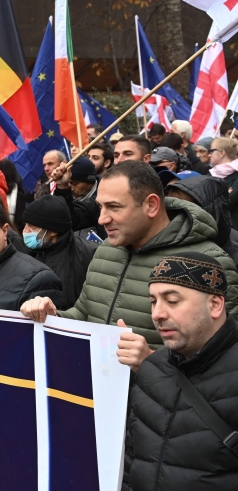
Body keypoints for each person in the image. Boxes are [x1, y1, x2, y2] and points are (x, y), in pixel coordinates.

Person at [21, 161, 238, 348]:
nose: (102, 219)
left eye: (114, 207)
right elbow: (85, 314)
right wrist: (54, 316)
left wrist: (150, 364)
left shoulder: (212, 262)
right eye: (100, 207)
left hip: (159, 396)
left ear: (151, 205)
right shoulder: (105, 251)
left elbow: (221, 357)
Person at [115, 252, 238, 491]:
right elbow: (132, 472)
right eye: (153, 301)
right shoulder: (152, 370)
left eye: (172, 300)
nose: (157, 313)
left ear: (215, 304)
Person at [21, 195, 97, 304]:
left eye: (32, 226)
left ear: (54, 231)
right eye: (26, 224)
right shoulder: (25, 253)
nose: (26, 231)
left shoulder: (87, 254)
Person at [209, 136, 238, 230]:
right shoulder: (210, 174)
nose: (209, 155)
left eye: (211, 151)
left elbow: (229, 201)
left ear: (222, 153)